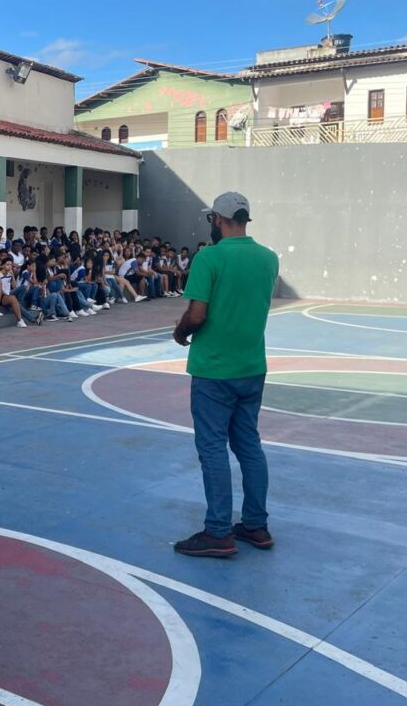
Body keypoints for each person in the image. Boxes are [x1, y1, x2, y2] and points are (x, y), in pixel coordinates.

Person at [172, 192, 279, 558]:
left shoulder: (209, 257)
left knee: (213, 447)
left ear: (218, 219)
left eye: (212, 219)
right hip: (252, 366)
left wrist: (180, 332)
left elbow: (197, 314)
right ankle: (256, 524)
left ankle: (218, 531)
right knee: (249, 445)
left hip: (214, 369)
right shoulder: (268, 258)